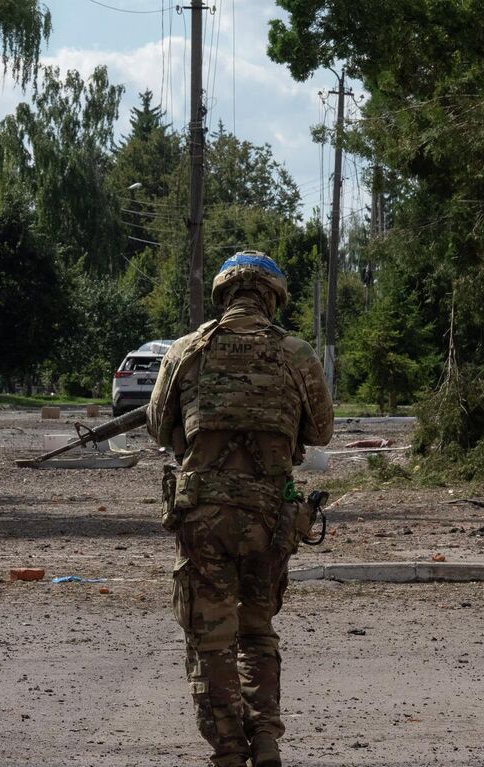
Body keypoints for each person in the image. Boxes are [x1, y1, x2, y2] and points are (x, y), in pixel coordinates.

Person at [147, 252, 335, 767]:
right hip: (271, 517)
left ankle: (229, 748)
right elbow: (320, 432)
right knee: (257, 630)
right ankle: (267, 741)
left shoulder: (186, 352)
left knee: (211, 637)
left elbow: (160, 427)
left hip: (204, 516)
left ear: (224, 294)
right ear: (273, 297)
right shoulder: (296, 355)